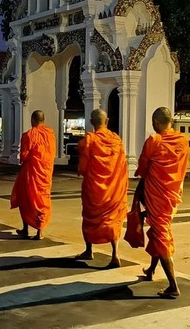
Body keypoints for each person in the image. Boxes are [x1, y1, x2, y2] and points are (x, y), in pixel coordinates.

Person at [135, 106, 189, 299]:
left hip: (157, 194)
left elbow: (143, 167)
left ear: (156, 123)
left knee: (161, 235)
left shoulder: (154, 141)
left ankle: (173, 286)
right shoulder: (183, 140)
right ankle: (151, 270)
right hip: (172, 194)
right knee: (158, 231)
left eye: (153, 123)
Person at [75, 108, 128, 268]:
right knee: (113, 220)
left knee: (89, 216)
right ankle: (115, 254)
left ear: (91, 122)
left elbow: (83, 167)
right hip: (113, 189)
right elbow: (123, 165)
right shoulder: (116, 140)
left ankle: (89, 249)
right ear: (107, 121)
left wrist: (83, 171)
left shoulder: (89, 140)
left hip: (94, 188)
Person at [10, 110, 57, 240]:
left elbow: (24, 156)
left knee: (25, 199)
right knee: (42, 200)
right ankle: (39, 231)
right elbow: (52, 153)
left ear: (32, 120)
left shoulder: (29, 135)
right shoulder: (50, 134)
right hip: (45, 173)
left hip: (31, 172)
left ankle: (25, 229)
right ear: (43, 120)